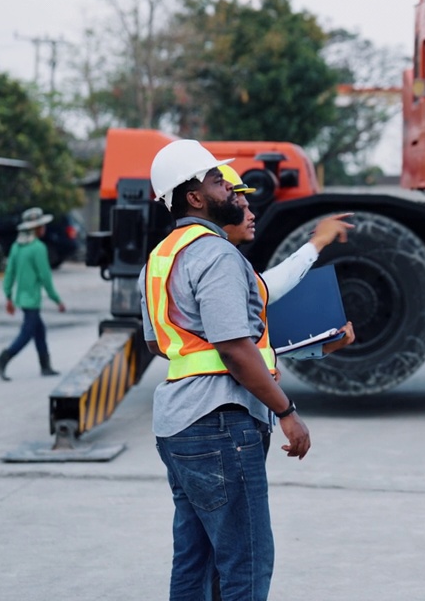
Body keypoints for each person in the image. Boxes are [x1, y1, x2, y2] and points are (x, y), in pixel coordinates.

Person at [139, 140, 311, 601]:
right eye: (217, 181)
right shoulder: (216, 254)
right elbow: (234, 348)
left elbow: (160, 342)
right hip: (219, 423)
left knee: (194, 562)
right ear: (194, 197)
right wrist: (286, 410)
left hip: (177, 424)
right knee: (246, 563)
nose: (231, 191)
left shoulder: (160, 258)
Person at [217, 164, 355, 363]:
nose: (251, 215)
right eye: (241, 207)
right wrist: (318, 242)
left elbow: (252, 339)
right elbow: (265, 291)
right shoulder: (215, 259)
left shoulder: (226, 256)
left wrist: (321, 347)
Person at [0, 207, 66, 380]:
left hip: (21, 299)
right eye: (41, 226)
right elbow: (46, 278)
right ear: (36, 229)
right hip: (32, 300)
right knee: (26, 334)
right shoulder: (38, 248)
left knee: (40, 331)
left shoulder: (17, 247)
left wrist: (8, 296)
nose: (44, 228)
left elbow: (9, 274)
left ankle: (45, 366)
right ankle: (2, 361)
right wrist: (57, 300)